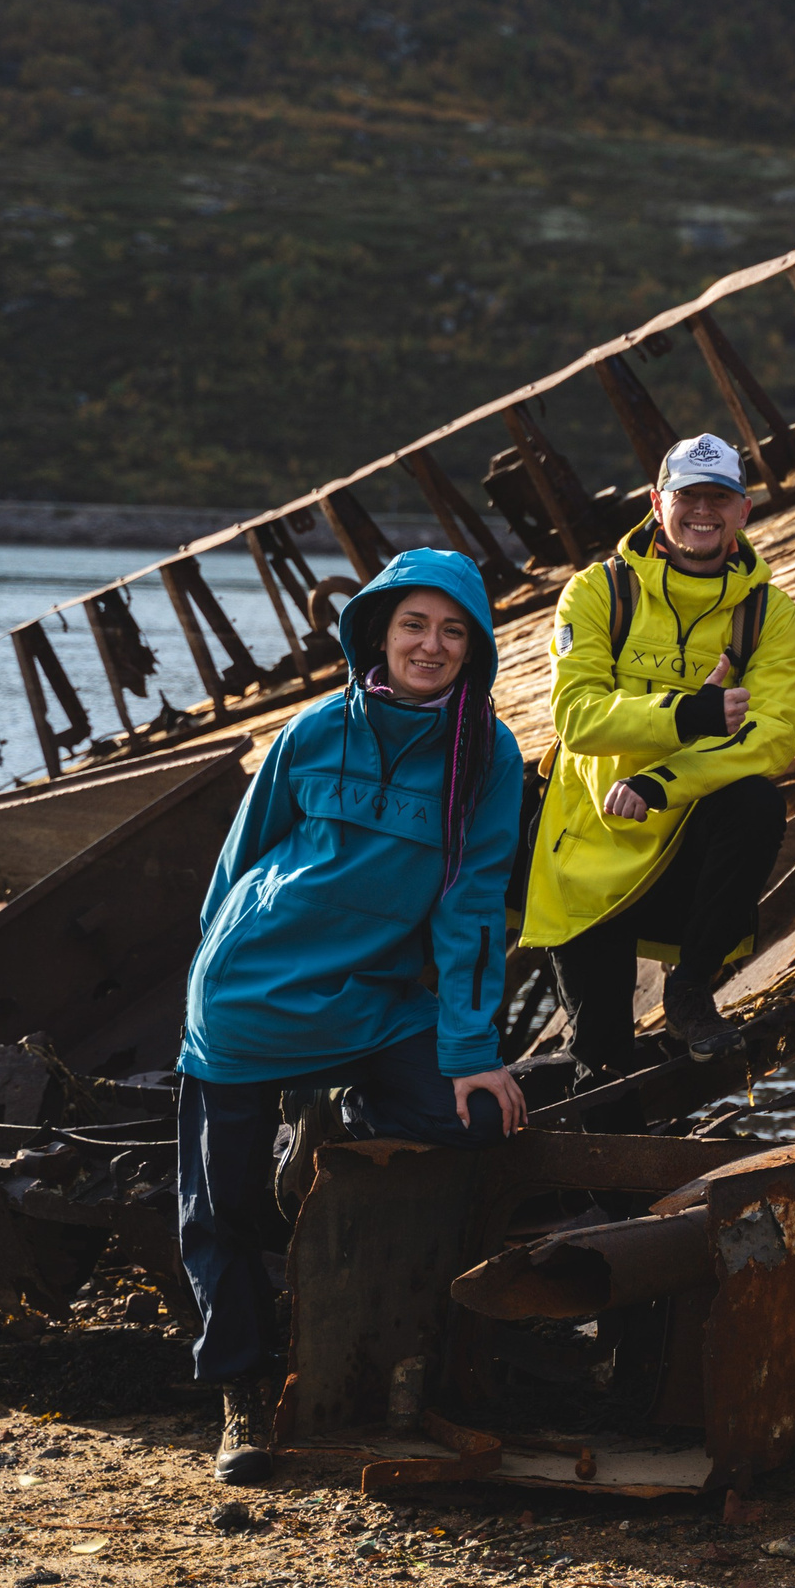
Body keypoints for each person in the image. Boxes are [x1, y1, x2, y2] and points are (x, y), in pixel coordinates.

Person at [175, 546, 526, 1485]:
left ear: (476, 648)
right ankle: (242, 1393)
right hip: (256, 990)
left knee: (480, 1119)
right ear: (377, 630)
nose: (431, 644)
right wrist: (208, 986)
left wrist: (472, 1051)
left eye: (454, 630)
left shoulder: (487, 753)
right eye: (414, 623)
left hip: (375, 1001)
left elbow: (473, 904)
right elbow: (238, 863)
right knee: (222, 1205)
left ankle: (325, 1144)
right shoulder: (314, 729)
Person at [521, 432, 795, 1070]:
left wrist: (664, 780)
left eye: (718, 497)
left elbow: (776, 734)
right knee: (601, 1058)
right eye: (686, 496)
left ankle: (689, 989)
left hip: (687, 851)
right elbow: (576, 717)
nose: (701, 510)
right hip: (594, 842)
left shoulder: (768, 614)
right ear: (657, 502)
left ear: (743, 511)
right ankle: (595, 1160)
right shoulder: (597, 593)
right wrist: (685, 716)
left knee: (757, 801)